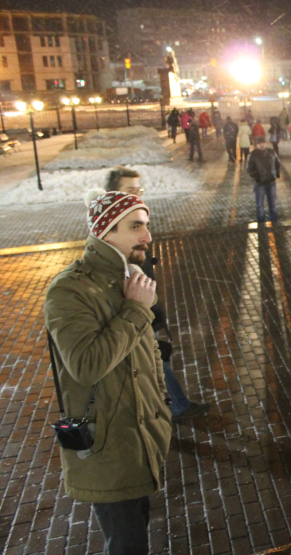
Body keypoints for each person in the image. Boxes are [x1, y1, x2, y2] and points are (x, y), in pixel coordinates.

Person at [45, 189, 171, 555]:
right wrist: (136, 309)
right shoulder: (70, 289)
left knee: (136, 534)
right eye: (135, 226)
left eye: (146, 225)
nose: (147, 236)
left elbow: (146, 355)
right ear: (105, 231)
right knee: (128, 544)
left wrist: (161, 408)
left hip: (139, 437)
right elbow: (86, 366)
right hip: (107, 447)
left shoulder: (129, 277)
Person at [103, 167, 210, 422]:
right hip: (134, 311)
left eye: (138, 190)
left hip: (143, 307)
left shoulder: (133, 223)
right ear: (114, 194)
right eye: (130, 190)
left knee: (153, 358)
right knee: (153, 358)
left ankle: (166, 407)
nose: (137, 195)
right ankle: (173, 408)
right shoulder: (114, 234)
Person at [247, 136, 281, 225]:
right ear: (256, 145)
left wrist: (276, 174)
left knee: (272, 204)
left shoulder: (271, 152)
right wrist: (257, 177)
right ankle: (261, 223)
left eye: (263, 143)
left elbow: (277, 163)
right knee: (259, 205)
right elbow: (250, 169)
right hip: (260, 183)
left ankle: (274, 222)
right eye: (260, 143)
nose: (262, 145)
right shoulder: (253, 155)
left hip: (271, 182)